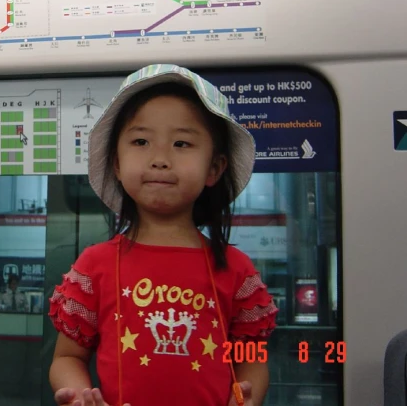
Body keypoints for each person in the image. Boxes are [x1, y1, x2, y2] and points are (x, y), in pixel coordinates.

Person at [48, 65, 278, 406]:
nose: (159, 159)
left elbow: (252, 359)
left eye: (181, 143)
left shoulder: (238, 270)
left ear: (214, 168)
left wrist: (245, 399)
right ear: (116, 163)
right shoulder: (94, 266)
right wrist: (81, 397)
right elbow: (68, 358)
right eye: (141, 141)